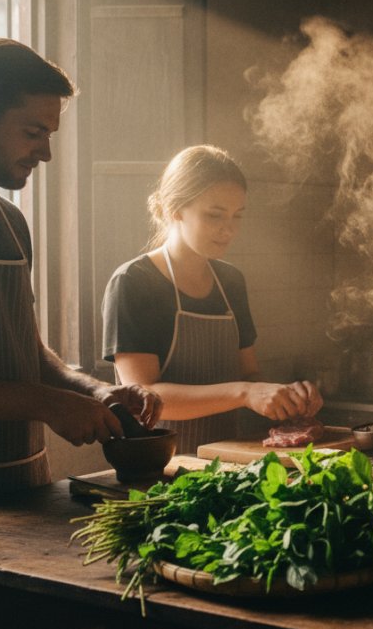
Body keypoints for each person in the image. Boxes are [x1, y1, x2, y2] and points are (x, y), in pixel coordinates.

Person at [0, 39, 161, 510]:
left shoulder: (11, 222)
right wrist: (46, 404)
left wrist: (95, 390)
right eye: (33, 132)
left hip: (25, 490)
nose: (45, 154)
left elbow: (23, 349)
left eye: (49, 134)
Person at [102, 145, 322, 454]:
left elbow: (249, 375)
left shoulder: (230, 282)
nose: (229, 229)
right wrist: (245, 392)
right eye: (215, 215)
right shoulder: (134, 283)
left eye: (237, 216)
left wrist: (287, 396)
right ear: (174, 208)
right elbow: (143, 396)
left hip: (227, 461)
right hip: (160, 465)